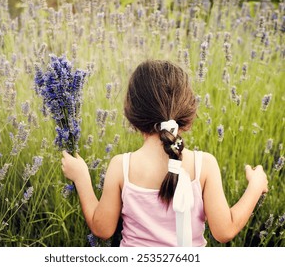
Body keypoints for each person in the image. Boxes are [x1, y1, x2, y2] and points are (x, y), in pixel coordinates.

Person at [61, 59, 268, 247]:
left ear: (133, 115)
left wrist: (81, 178)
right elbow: (225, 230)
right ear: (186, 113)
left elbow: (102, 230)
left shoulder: (121, 166)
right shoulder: (204, 165)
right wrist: (256, 185)